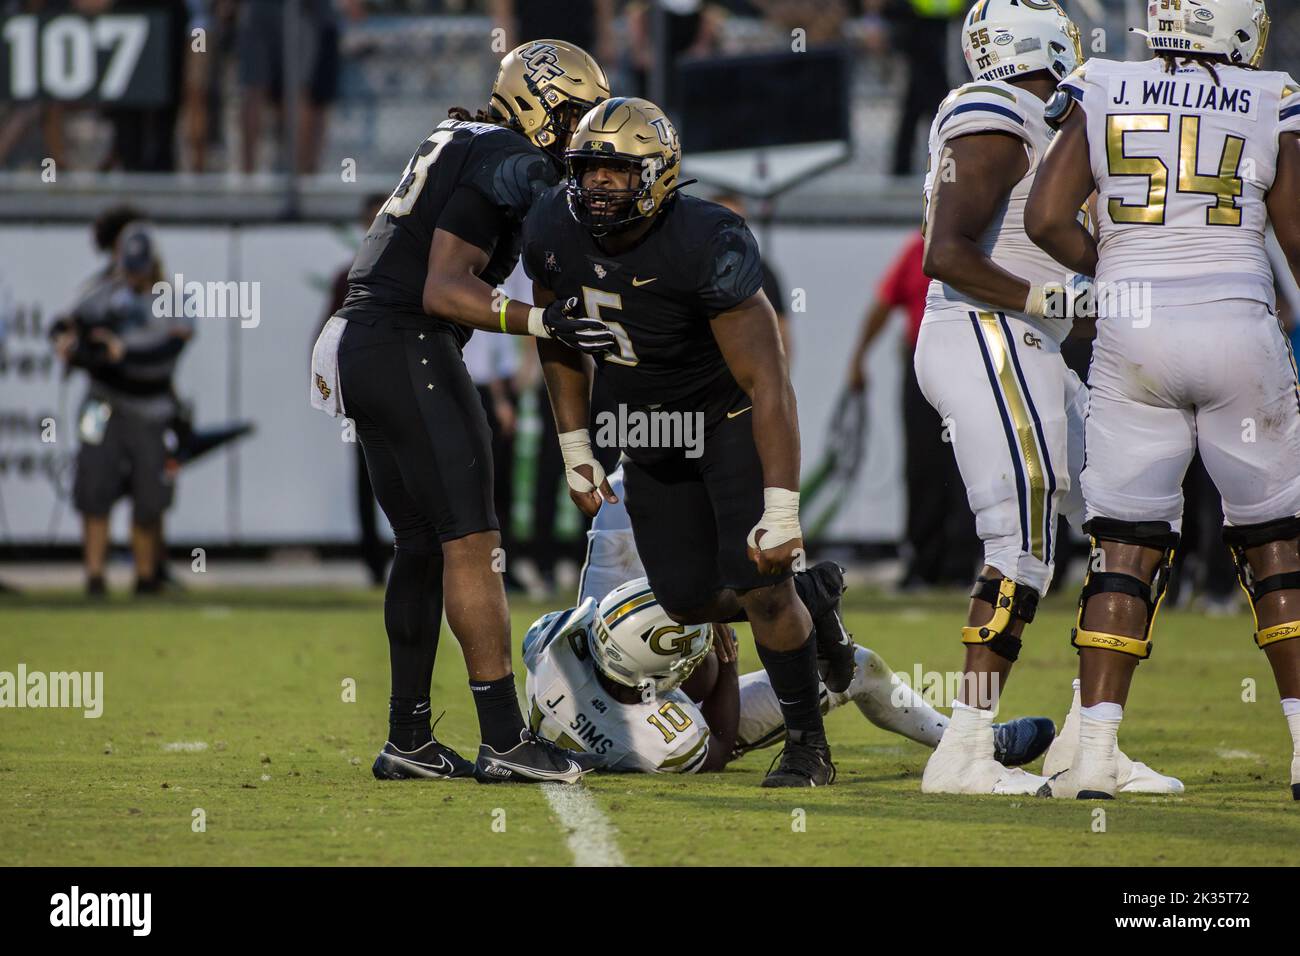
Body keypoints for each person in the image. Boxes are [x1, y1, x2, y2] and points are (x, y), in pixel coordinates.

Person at [524, 97, 855, 787]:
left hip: (724, 420)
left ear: (660, 173)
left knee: (761, 591)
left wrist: (782, 508)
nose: (597, 186)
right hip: (644, 428)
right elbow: (556, 334)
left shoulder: (707, 240)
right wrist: (576, 450)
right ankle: (811, 599)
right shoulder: (553, 228)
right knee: (689, 600)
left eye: (616, 172)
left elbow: (769, 382)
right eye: (587, 170)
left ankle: (807, 746)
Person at [309, 40, 615, 785]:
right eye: (572, 113)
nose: (579, 132)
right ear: (535, 101)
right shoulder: (506, 155)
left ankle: (408, 738)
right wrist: (543, 322)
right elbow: (445, 290)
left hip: (358, 341)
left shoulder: (467, 139)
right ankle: (506, 740)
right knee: (470, 543)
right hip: (408, 342)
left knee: (419, 544)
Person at [1026, 0, 1300, 800]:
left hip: (1133, 330)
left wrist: (1117, 273)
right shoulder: (1270, 96)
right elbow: (1295, 237)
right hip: (1235, 323)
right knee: (1277, 544)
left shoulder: (1104, 81)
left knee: (1126, 549)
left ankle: (1097, 758)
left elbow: (1046, 218)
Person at [914, 0, 1179, 795]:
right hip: (985, 333)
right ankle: (962, 750)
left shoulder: (1043, 113)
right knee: (1018, 541)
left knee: (1125, 519)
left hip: (1028, 345)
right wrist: (1057, 303)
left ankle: (1082, 743)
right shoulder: (996, 110)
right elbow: (946, 253)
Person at [523, 469, 1057, 775]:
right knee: (860, 669)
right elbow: (715, 742)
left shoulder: (557, 642)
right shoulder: (661, 739)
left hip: (618, 674)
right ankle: (969, 742)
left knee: (620, 510)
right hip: (658, 720)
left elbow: (602, 618)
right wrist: (724, 665)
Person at [52, 224, 193, 596]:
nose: (132, 275)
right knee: (93, 483)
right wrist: (68, 342)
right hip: (102, 401)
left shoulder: (172, 300)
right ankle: (95, 575)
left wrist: (122, 353)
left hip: (151, 405)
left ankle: (146, 576)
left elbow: (168, 351)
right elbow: (64, 324)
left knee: (150, 492)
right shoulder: (102, 293)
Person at [847, 230, 979, 589]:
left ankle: (958, 565)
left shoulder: (979, 245)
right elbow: (884, 304)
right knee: (923, 467)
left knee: (967, 467)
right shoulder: (919, 248)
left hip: (970, 366)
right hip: (922, 367)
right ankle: (924, 564)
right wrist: (859, 357)